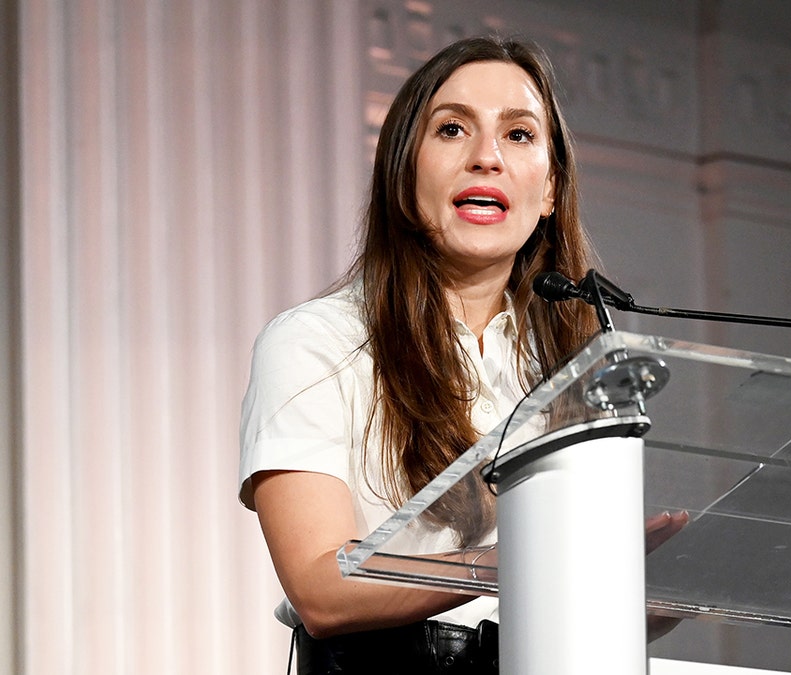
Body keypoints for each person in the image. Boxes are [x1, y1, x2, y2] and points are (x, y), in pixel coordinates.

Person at [238, 35, 615, 674]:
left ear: (550, 191)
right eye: (451, 130)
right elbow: (320, 588)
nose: (486, 158)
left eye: (519, 135)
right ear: (404, 168)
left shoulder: (570, 368)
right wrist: (516, 561)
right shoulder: (316, 341)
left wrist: (667, 586)